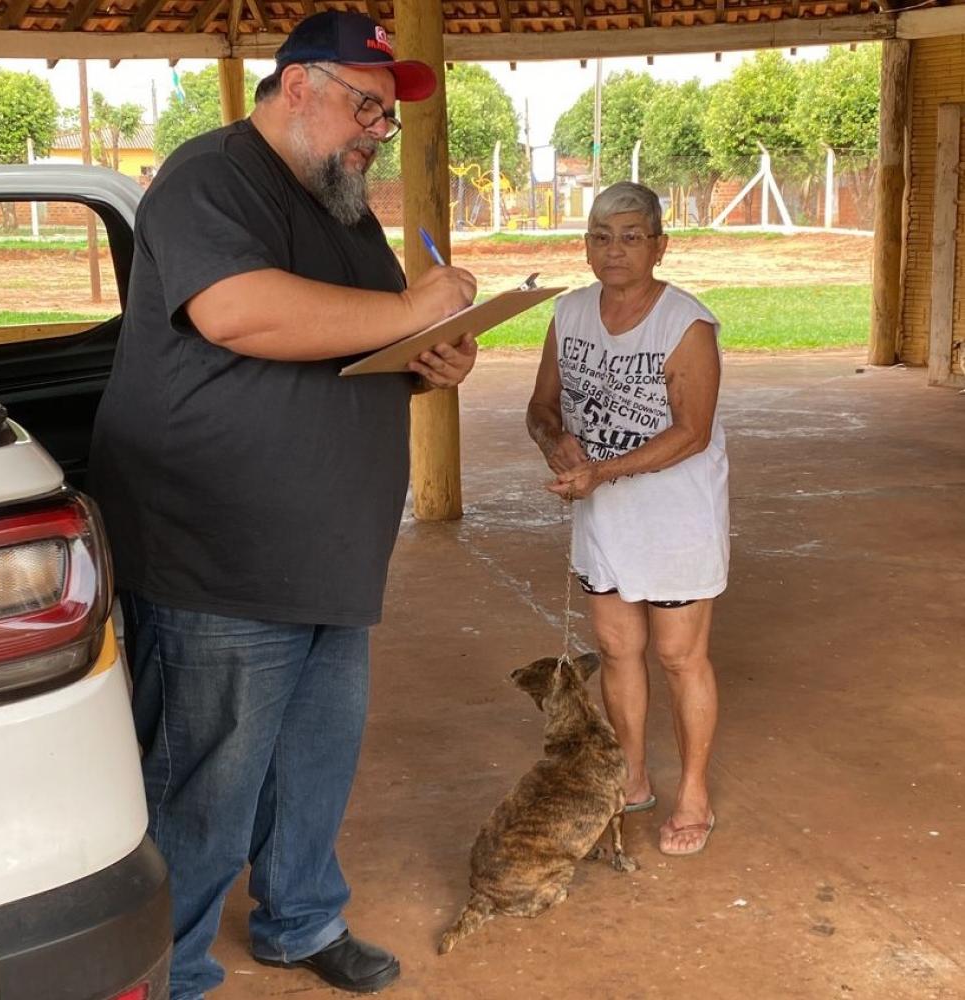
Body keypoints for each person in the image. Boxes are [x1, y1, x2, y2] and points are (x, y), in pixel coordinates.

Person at [88, 11, 478, 998]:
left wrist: (433, 358)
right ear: (297, 86)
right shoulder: (210, 175)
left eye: (387, 119)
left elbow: (368, 340)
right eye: (364, 106)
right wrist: (405, 312)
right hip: (222, 553)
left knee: (311, 764)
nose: (375, 132)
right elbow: (238, 309)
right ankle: (165, 967)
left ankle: (299, 916)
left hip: (326, 555)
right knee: (207, 781)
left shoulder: (342, 204)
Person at [526, 182, 729, 859]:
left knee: (679, 655)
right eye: (600, 237)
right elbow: (542, 408)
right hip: (603, 517)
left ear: (659, 246)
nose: (614, 250)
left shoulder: (685, 324)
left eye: (631, 236)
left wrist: (603, 471)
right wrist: (557, 443)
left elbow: (693, 432)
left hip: (674, 521)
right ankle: (633, 776)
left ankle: (693, 792)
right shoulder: (570, 314)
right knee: (616, 650)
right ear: (585, 246)